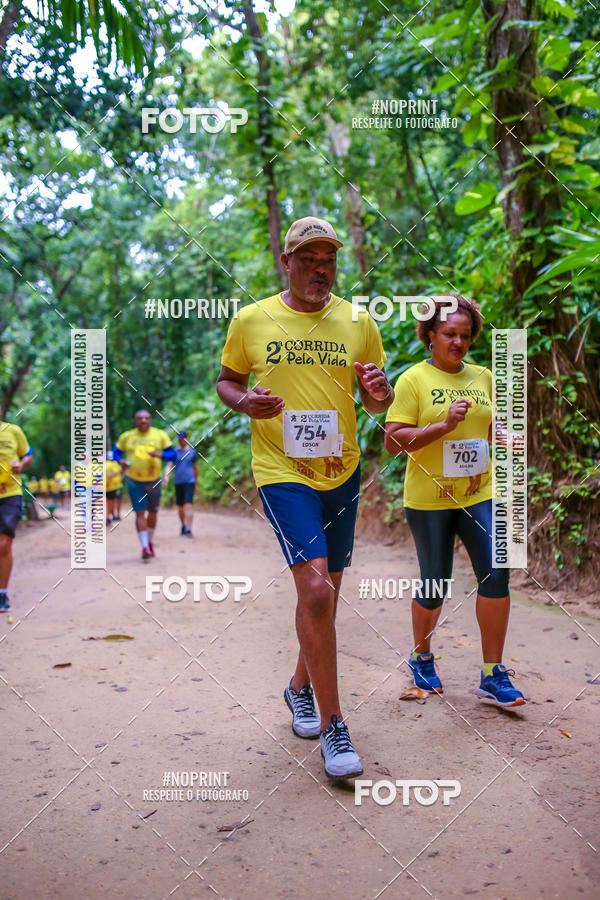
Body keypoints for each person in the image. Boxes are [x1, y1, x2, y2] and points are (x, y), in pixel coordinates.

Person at [216, 216, 394, 779]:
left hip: (340, 472)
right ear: (285, 263)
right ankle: (336, 726)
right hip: (279, 469)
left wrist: (380, 395)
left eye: (329, 261)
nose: (321, 270)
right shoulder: (251, 319)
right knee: (315, 587)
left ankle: (298, 686)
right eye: (309, 260)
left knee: (326, 596)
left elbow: (374, 402)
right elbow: (225, 381)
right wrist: (245, 403)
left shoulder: (359, 321)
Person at [384, 295, 525, 708]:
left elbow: (488, 422)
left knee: (497, 574)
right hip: (429, 499)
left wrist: (502, 436)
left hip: (478, 492)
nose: (458, 342)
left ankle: (492, 674)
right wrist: (443, 425)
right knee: (435, 582)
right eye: (450, 334)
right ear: (430, 336)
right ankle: (422, 657)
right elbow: (393, 441)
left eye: (465, 336)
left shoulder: (482, 376)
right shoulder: (413, 380)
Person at [114, 410, 175, 561]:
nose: (143, 421)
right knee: (140, 513)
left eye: (146, 418)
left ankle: (150, 540)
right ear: (134, 421)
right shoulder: (127, 436)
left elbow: (172, 455)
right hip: (133, 480)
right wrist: (119, 460)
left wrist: (160, 455)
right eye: (139, 418)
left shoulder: (159, 435)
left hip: (154, 480)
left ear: (151, 421)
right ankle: (144, 546)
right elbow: (115, 453)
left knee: (153, 513)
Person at [0, 410, 33, 612]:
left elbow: (27, 454)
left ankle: (2, 594)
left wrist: (21, 464)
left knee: (3, 544)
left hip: (10, 494)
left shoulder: (13, 430)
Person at [163, 431, 198, 536]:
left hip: (189, 481)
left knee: (188, 505)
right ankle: (183, 525)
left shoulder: (192, 452)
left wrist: (196, 481)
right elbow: (169, 465)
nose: (180, 441)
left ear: (187, 438)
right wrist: (166, 477)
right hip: (178, 482)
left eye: (182, 438)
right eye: (179, 439)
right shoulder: (175, 452)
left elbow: (196, 468)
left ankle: (188, 528)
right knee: (180, 507)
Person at [105, 451, 123, 525]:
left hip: (113, 486)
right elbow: (117, 472)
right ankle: (112, 515)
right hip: (113, 486)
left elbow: (117, 472)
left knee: (110, 501)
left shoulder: (108, 464)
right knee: (112, 501)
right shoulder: (114, 463)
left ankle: (111, 516)